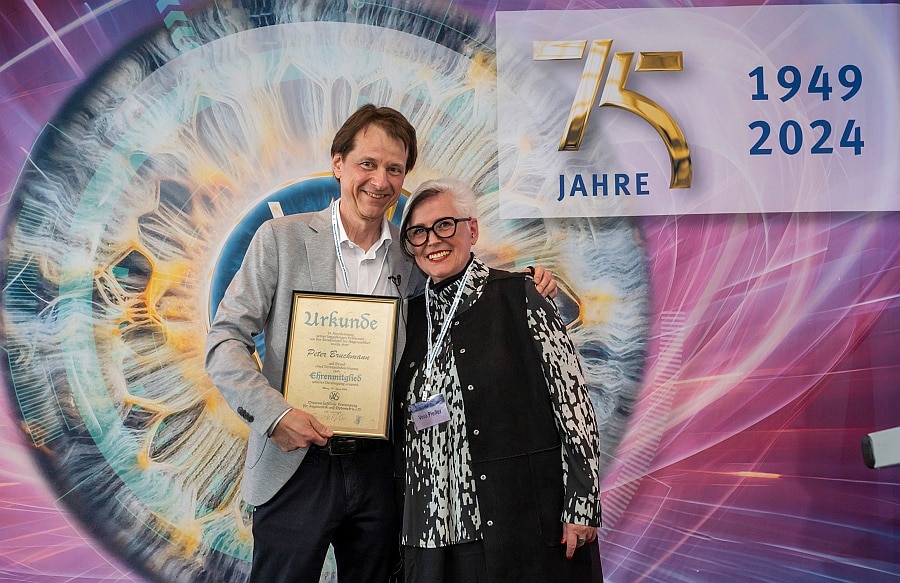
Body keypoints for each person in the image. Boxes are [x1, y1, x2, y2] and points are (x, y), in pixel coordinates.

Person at [205, 104, 557, 583]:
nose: (380, 180)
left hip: (383, 470)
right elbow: (225, 339)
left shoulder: (412, 254)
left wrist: (522, 283)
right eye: (367, 164)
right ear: (338, 163)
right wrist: (274, 415)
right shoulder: (280, 240)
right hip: (294, 462)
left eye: (394, 169)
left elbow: (461, 280)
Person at [393, 177, 604, 583]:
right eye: (418, 232)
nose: (432, 240)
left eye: (444, 225)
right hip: (432, 535)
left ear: (472, 229)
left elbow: (574, 407)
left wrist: (582, 504)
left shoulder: (521, 295)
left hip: (513, 525)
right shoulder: (408, 317)